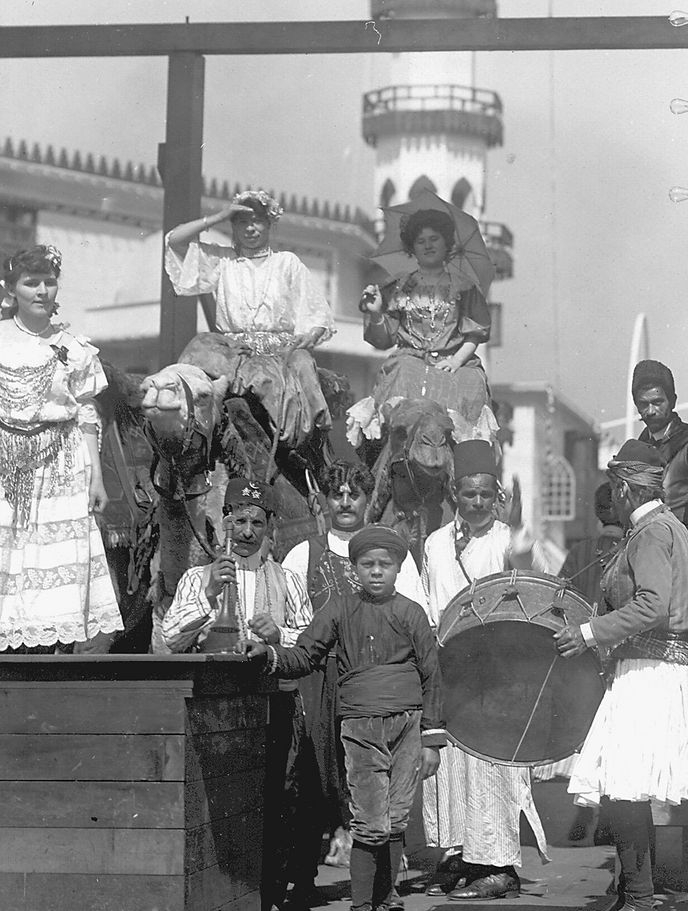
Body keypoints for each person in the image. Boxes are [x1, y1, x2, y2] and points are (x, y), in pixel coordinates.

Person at [242, 525, 445, 911]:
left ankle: (384, 906)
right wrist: (270, 656)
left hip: (407, 726)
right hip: (361, 727)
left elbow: (432, 675)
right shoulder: (338, 610)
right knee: (370, 822)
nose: (376, 573)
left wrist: (430, 739)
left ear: (397, 569)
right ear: (353, 569)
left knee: (394, 821)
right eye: (367, 565)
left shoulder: (411, 614)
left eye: (384, 565)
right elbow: (304, 656)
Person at [160, 476, 319, 911]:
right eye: (239, 520)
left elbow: (309, 646)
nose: (247, 531)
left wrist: (279, 635)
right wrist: (209, 595)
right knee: (222, 804)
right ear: (224, 521)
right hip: (218, 709)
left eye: (257, 522)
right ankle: (223, 902)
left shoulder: (288, 580)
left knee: (275, 803)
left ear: (269, 527)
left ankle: (267, 900)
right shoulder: (199, 576)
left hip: (275, 706)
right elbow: (171, 639)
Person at [555, 440, 688, 911]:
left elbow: (654, 605)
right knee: (625, 791)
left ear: (621, 488)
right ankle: (631, 897)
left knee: (623, 790)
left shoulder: (651, 534)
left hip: (649, 673)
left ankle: (640, 903)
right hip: (647, 670)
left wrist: (589, 632)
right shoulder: (663, 528)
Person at [282, 459, 428, 891]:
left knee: (377, 784)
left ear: (368, 501)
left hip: (373, 686)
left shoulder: (390, 553)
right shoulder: (302, 554)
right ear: (324, 501)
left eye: (354, 494)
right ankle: (303, 879)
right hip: (318, 682)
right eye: (336, 493)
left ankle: (384, 888)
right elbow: (295, 625)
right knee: (314, 777)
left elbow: (417, 620)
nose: (345, 502)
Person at [421, 439, 550, 899]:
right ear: (455, 492)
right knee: (452, 765)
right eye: (468, 493)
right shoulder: (435, 543)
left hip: (496, 670)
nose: (476, 502)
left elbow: (527, 574)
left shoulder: (507, 538)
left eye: (485, 494)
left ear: (496, 494)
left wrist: (518, 532)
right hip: (449, 669)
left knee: (491, 765)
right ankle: (459, 856)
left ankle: (498, 866)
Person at [0, 245, 123, 652]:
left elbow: (86, 414)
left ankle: (51, 657)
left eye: (48, 282)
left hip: (62, 463)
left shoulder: (75, 346)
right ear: (11, 288)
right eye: (30, 283)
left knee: (54, 562)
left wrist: (97, 478)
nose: (41, 291)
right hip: (7, 463)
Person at [165, 189, 335, 448]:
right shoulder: (222, 261)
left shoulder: (287, 263)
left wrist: (307, 336)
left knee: (302, 368)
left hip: (279, 353)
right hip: (233, 353)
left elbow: (316, 314)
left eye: (257, 220)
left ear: (269, 224)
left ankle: (305, 449)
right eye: (242, 221)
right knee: (200, 347)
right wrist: (218, 217)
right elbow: (175, 241)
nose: (250, 228)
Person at [347, 208, 498, 446]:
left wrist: (456, 361)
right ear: (412, 248)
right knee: (402, 374)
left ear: (447, 243)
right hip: (411, 360)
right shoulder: (399, 286)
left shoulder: (464, 286)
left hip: (455, 362)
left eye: (434, 239)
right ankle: (384, 459)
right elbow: (383, 340)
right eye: (420, 241)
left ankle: (471, 467)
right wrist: (376, 312)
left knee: (471, 383)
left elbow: (475, 333)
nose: (428, 245)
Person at [632, 359, 688, 547]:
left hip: (684, 546)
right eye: (643, 404)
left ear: (673, 401)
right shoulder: (636, 450)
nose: (651, 411)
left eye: (657, 402)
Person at [559, 482, 624, 609]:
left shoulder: (579, 551)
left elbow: (559, 590)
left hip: (579, 625)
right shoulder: (633, 548)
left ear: (598, 521)